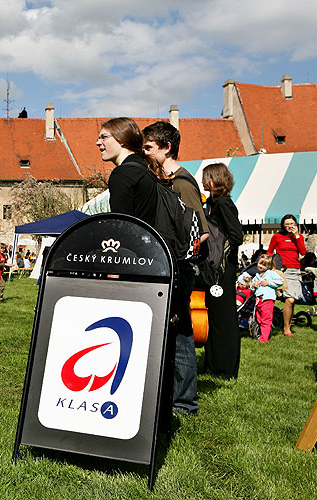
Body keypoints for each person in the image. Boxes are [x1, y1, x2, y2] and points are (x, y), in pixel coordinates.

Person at [143, 121, 210, 415]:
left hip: (180, 267)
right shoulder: (165, 180)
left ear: (166, 147)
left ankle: (184, 402)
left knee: (181, 331)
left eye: (148, 147)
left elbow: (201, 230)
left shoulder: (182, 182)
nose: (143, 153)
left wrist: (180, 259)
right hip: (172, 265)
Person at [201, 163, 243, 379]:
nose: (202, 179)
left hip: (223, 270)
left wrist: (221, 255)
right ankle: (213, 365)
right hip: (215, 268)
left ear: (215, 179)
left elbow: (237, 236)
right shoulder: (211, 203)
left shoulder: (223, 204)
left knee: (224, 320)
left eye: (206, 176)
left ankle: (225, 369)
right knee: (215, 318)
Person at [99, 117, 158, 226]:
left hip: (136, 241)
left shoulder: (123, 174)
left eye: (104, 137)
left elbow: (122, 225)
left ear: (122, 139)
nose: (98, 142)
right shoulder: (145, 167)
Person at [267, 214, 306, 337]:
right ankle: (286, 328)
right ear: (283, 225)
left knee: (293, 300)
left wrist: (297, 236)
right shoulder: (277, 237)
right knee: (289, 299)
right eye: (287, 224)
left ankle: (288, 325)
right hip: (283, 271)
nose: (290, 226)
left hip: (296, 270)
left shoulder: (298, 237)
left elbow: (303, 252)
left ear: (296, 225)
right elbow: (269, 251)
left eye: (292, 224)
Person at [250, 254, 284, 343]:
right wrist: (253, 285)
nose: (261, 266)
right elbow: (251, 287)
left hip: (267, 299)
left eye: (264, 265)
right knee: (259, 318)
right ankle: (263, 332)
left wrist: (269, 282)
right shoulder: (257, 276)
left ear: (268, 266)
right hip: (258, 300)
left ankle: (264, 338)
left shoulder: (271, 274)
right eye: (260, 264)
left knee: (266, 318)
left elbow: (280, 281)